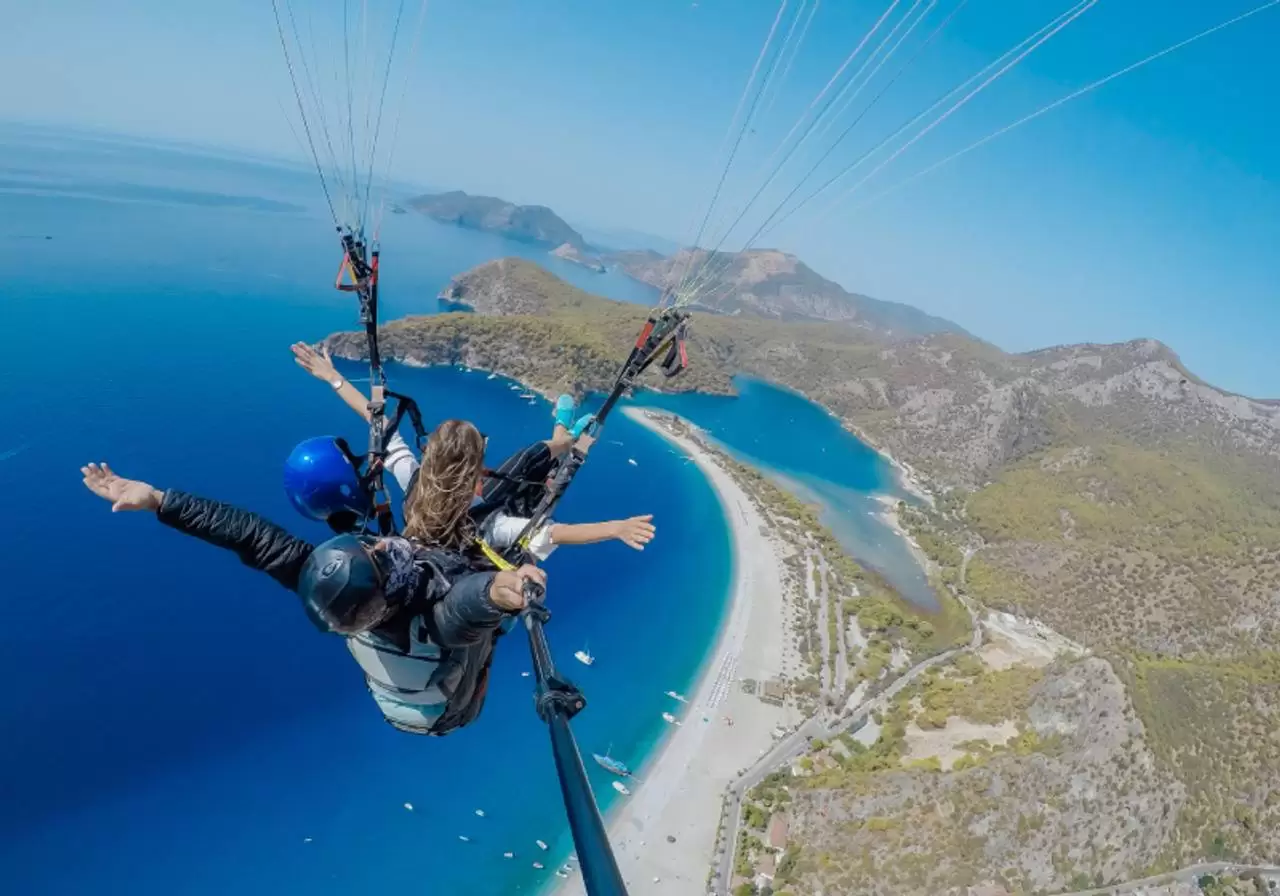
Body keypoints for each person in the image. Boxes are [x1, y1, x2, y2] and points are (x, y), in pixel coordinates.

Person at [79, 420, 547, 737]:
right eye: (377, 550)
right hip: (453, 709)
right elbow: (481, 598)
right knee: (487, 614)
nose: (380, 541)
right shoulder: (438, 611)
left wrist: (160, 500)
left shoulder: (344, 597)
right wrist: (517, 584)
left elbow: (249, 536)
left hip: (402, 700)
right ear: (383, 578)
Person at [290, 341, 656, 560]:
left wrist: (332, 377)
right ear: (474, 472)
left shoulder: (416, 482)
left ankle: (563, 435)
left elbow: (379, 423)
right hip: (487, 525)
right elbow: (553, 534)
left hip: (467, 507)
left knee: (532, 457)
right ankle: (564, 437)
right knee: (530, 459)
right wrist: (617, 528)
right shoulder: (487, 525)